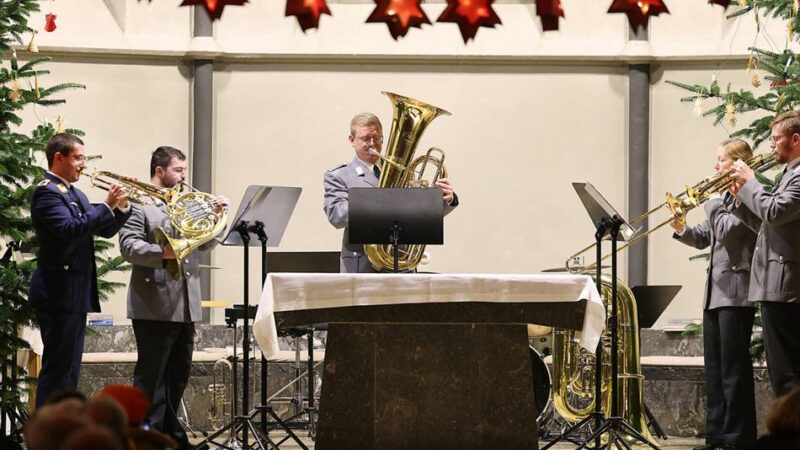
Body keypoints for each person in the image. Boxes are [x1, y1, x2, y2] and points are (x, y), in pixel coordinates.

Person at [118, 146, 228, 449]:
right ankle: (144, 439)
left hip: (186, 304)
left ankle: (169, 437)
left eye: (183, 170)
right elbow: (128, 247)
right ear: (159, 171)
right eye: (178, 170)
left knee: (177, 377)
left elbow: (204, 243)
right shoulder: (140, 203)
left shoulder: (185, 203)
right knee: (151, 379)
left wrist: (217, 216)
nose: (183, 176)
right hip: (154, 303)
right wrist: (163, 253)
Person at [29, 133, 131, 407]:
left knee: (69, 370)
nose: (83, 165)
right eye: (79, 158)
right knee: (57, 369)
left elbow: (104, 229)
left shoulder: (75, 193)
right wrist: (107, 205)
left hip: (73, 292)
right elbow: (70, 230)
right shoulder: (46, 192)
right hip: (57, 291)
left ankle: (62, 431)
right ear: (59, 158)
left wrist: (122, 207)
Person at [671, 138, 758, 450]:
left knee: (734, 370)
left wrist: (709, 200)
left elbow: (726, 230)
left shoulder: (748, 197)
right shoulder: (724, 198)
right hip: (715, 293)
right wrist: (682, 227)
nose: (714, 167)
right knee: (715, 370)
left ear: (736, 164)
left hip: (736, 294)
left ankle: (737, 438)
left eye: (720, 160)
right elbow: (706, 236)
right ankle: (717, 436)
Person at [323, 112, 459, 273]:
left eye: (377, 138)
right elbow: (337, 215)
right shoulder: (339, 175)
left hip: (403, 266)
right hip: (363, 268)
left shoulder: (402, 172)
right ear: (352, 140)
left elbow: (419, 214)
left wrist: (444, 200)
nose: (372, 144)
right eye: (366, 139)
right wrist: (384, 202)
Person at [731, 110, 800, 397]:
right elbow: (766, 224)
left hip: (787, 286)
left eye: (775, 139)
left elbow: (774, 210)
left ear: (795, 139)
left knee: (787, 373)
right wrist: (740, 199)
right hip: (776, 284)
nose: (771, 146)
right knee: (780, 371)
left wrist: (751, 183)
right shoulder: (789, 174)